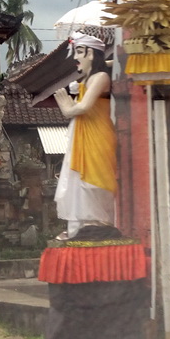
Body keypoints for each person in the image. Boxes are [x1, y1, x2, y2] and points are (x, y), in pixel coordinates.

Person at [52, 32, 117, 239]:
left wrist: (67, 107)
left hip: (97, 135)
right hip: (82, 135)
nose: (75, 57)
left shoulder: (100, 77)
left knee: (95, 180)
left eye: (80, 51)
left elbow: (82, 107)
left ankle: (98, 222)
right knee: (79, 181)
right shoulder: (90, 77)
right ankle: (81, 225)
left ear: (92, 54)